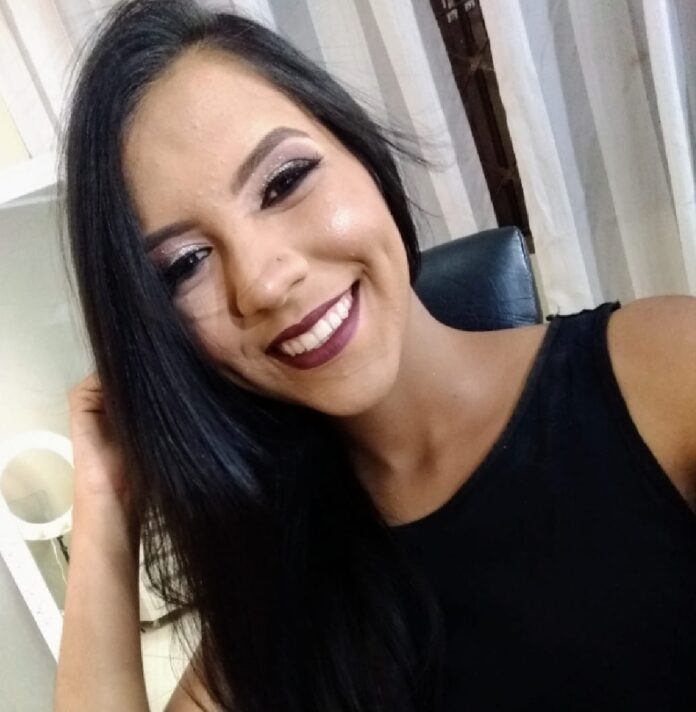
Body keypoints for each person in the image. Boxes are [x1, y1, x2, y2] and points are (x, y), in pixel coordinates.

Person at [54, 1, 696, 711]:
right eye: (185, 264)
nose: (263, 281)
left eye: (283, 182)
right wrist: (106, 502)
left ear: (358, 149)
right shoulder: (279, 596)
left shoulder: (667, 374)